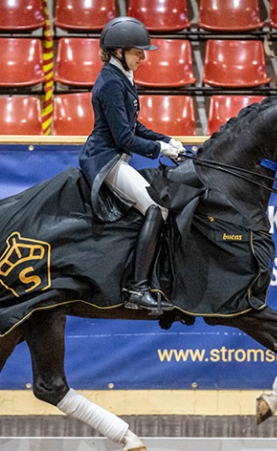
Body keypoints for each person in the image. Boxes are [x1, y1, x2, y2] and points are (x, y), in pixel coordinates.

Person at [78, 16, 185, 314]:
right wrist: (159, 148)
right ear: (119, 51)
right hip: (105, 160)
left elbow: (134, 125)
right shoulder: (111, 83)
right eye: (138, 52)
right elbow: (124, 138)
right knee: (156, 207)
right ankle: (137, 289)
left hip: (114, 155)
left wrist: (167, 139)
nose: (142, 57)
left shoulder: (120, 77)